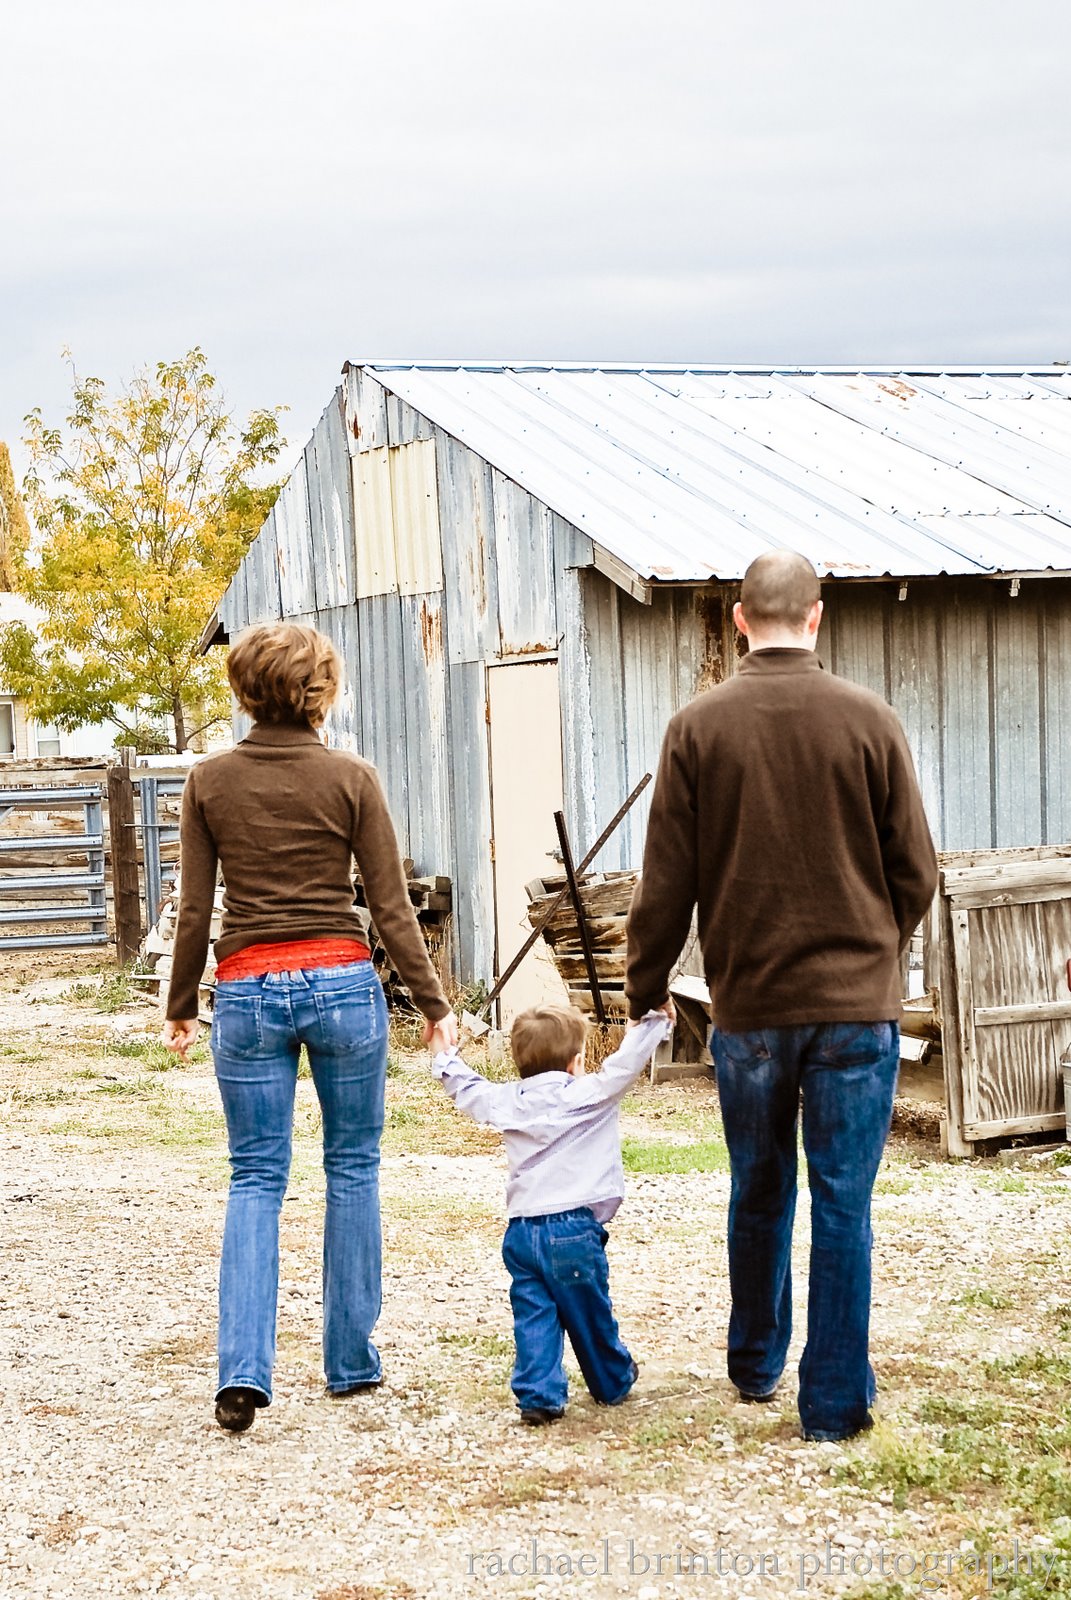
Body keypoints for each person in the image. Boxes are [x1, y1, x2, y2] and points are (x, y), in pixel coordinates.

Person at [624, 550, 938, 1443]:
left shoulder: (695, 728)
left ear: (735, 619)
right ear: (816, 616)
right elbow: (914, 871)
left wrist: (644, 991)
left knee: (758, 1188)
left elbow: (664, 885)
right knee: (843, 1200)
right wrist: (879, 951)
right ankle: (834, 1405)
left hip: (750, 1008)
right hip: (854, 1009)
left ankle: (755, 1363)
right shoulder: (869, 721)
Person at [163, 622, 457, 1432]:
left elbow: (195, 907)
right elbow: (391, 905)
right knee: (352, 1168)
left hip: (248, 989)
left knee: (255, 1176)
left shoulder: (209, 780)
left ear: (242, 691)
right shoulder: (351, 777)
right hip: (339, 983)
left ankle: (243, 1370)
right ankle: (350, 1364)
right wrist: (434, 1007)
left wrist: (181, 1002)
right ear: (318, 692)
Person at [431, 1005, 671, 1424]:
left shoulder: (506, 1100)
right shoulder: (590, 1092)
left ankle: (539, 1395)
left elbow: (467, 1089)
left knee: (534, 1314)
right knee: (589, 1310)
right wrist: (653, 1022)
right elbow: (626, 1064)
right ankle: (612, 1379)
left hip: (522, 1233)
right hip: (573, 1231)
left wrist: (443, 1055)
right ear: (576, 1061)